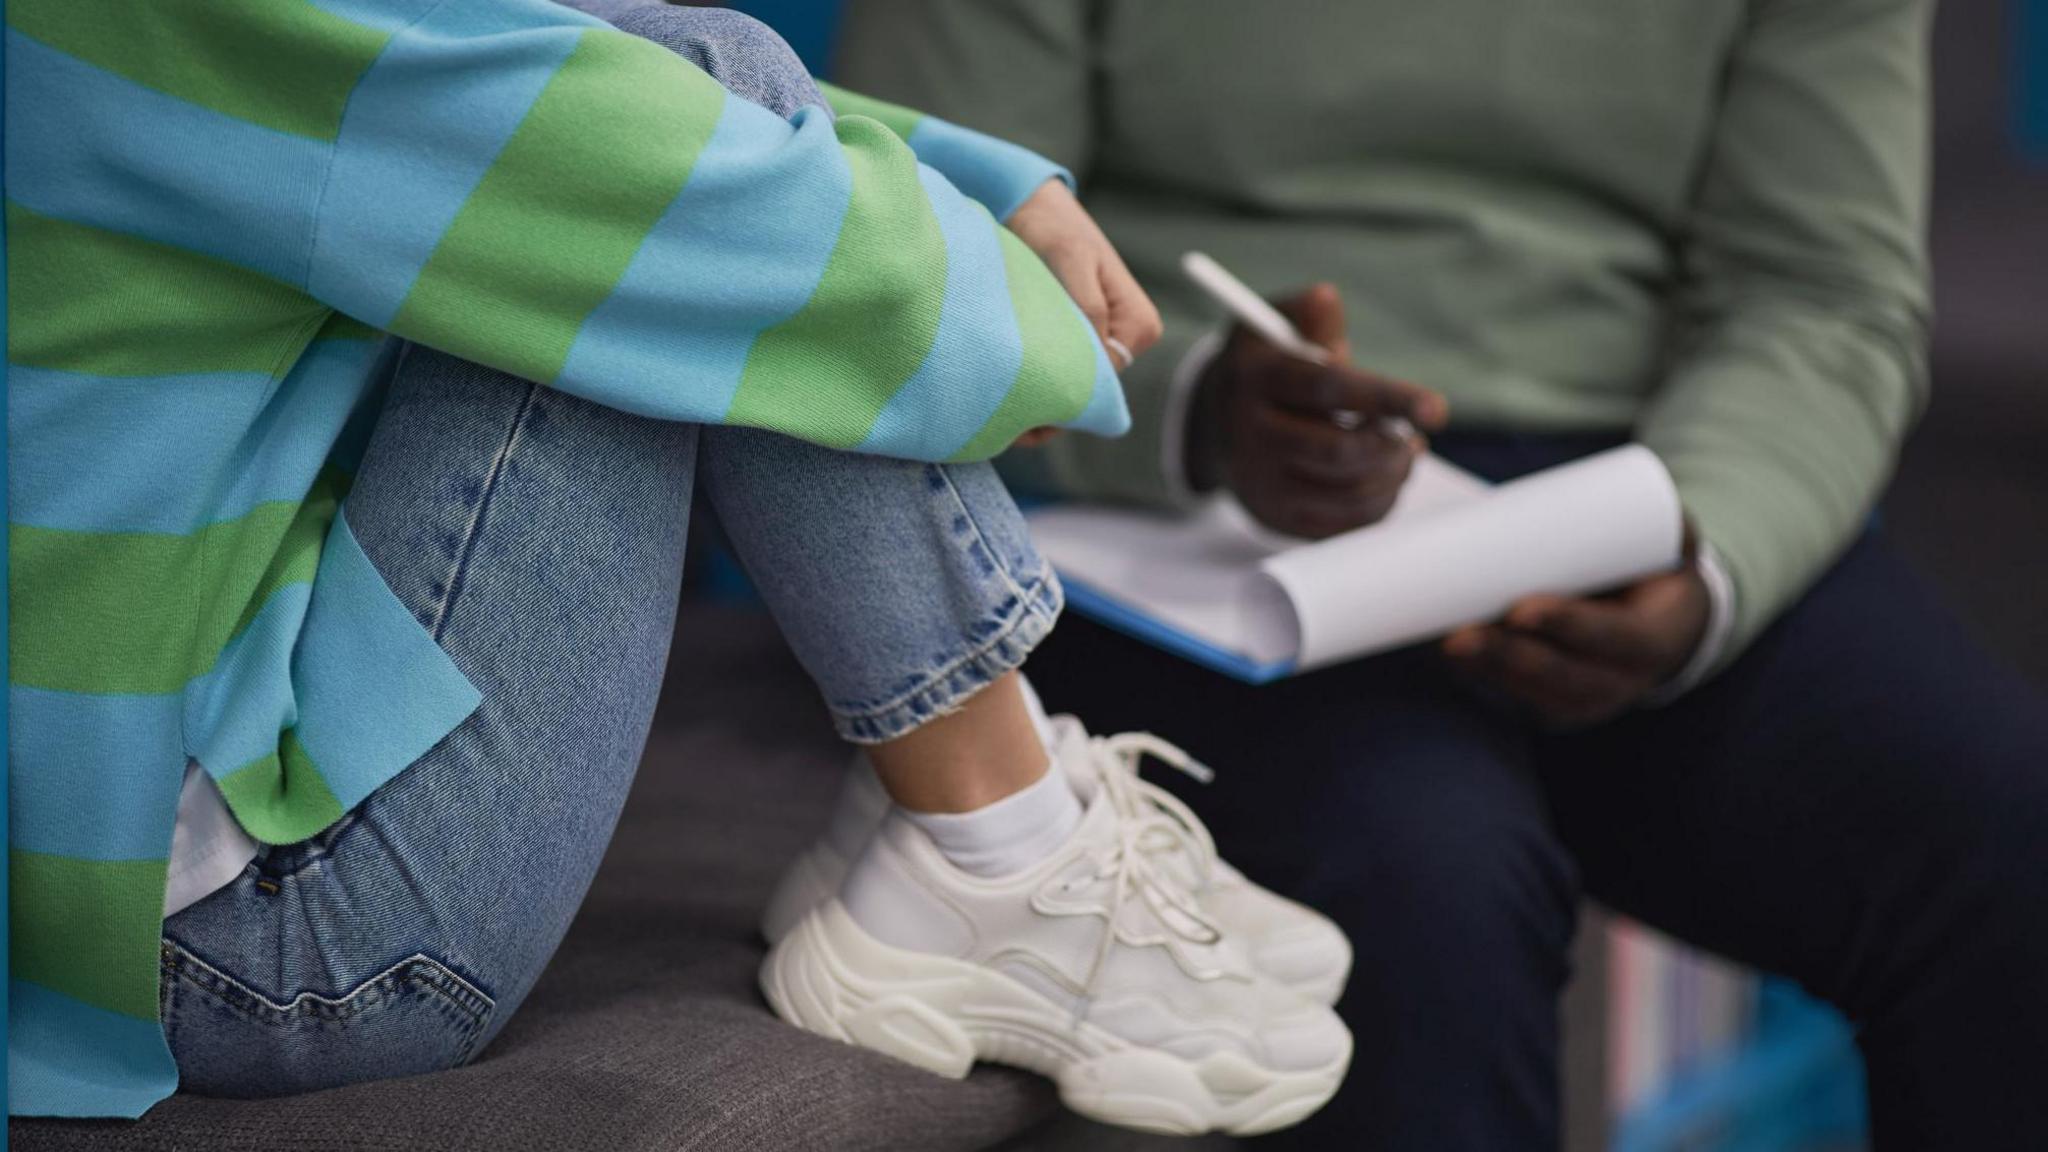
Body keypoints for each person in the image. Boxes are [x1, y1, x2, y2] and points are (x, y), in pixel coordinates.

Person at [8, 1, 1353, 1136]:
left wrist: (992, 186)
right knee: (687, 149)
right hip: (234, 953)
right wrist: (1020, 333)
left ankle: (992, 833)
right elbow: (634, 132)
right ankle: (999, 843)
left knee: (688, 101)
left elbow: (512, 47)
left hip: (158, 828)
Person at [833, 1, 2048, 1148]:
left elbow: (1819, 290)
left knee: (2002, 838)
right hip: (1156, 495)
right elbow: (906, 234)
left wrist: (1704, 549)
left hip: (1647, 475)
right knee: (1417, 891)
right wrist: (1186, 405)